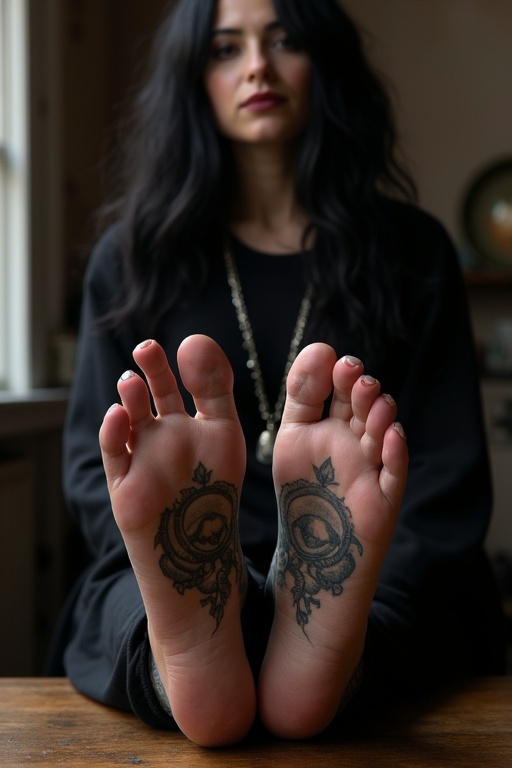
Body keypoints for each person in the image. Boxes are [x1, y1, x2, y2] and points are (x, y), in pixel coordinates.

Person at [47, 0, 506, 748]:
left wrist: (350, 572)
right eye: (226, 48)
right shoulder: (135, 260)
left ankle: (318, 642)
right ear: (194, 80)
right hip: (186, 562)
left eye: (283, 39)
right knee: (128, 588)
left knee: (399, 598)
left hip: (362, 561)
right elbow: (94, 475)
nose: (256, 65)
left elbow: (445, 481)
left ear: (325, 61)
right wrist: (195, 553)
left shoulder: (412, 254)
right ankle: (200, 641)